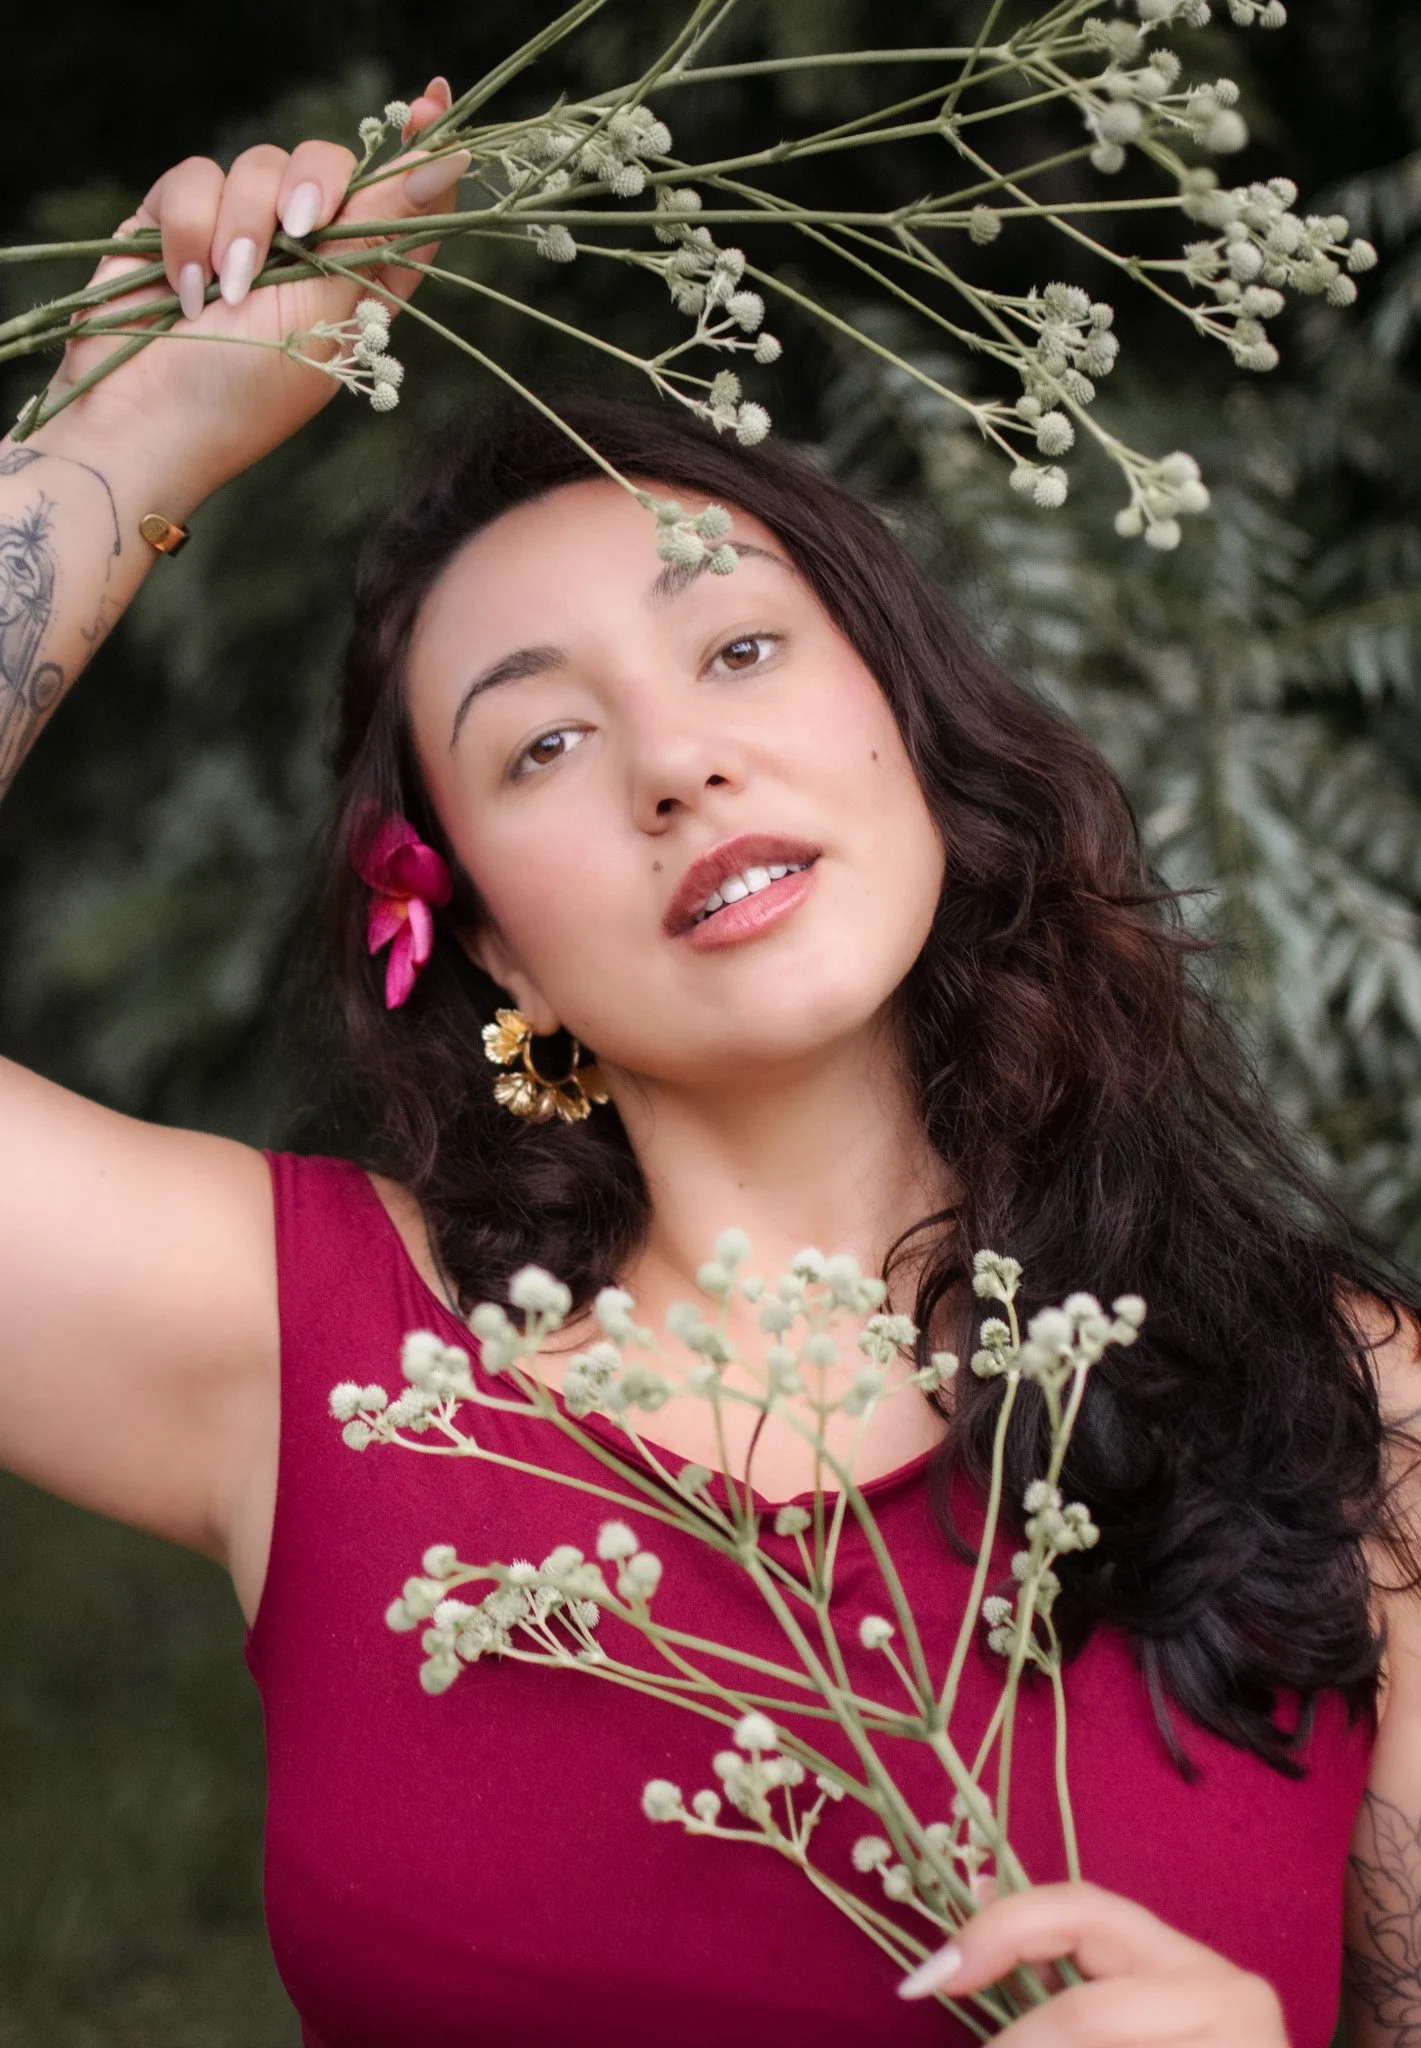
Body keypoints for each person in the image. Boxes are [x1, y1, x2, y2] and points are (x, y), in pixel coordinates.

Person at [4, 77, 1421, 2048]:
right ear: (489, 932)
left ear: (908, 729)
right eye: (542, 746)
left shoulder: (1350, 1416)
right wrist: (145, 427)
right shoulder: (307, 1355)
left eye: (738, 648)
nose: (675, 758)